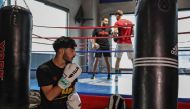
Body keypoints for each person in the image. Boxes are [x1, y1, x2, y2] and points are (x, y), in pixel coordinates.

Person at [36, 36, 82, 109]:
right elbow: (49, 96)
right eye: (72, 50)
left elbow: (72, 88)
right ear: (61, 50)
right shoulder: (44, 69)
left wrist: (74, 97)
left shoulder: (71, 67)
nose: (74, 54)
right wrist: (66, 79)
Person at [113, 10, 134, 82]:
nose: (116, 17)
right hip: (129, 43)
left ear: (118, 15)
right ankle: (135, 74)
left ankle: (116, 76)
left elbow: (115, 32)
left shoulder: (117, 22)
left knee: (118, 59)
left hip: (121, 42)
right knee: (132, 59)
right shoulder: (130, 22)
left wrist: (114, 36)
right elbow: (132, 33)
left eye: (116, 15)